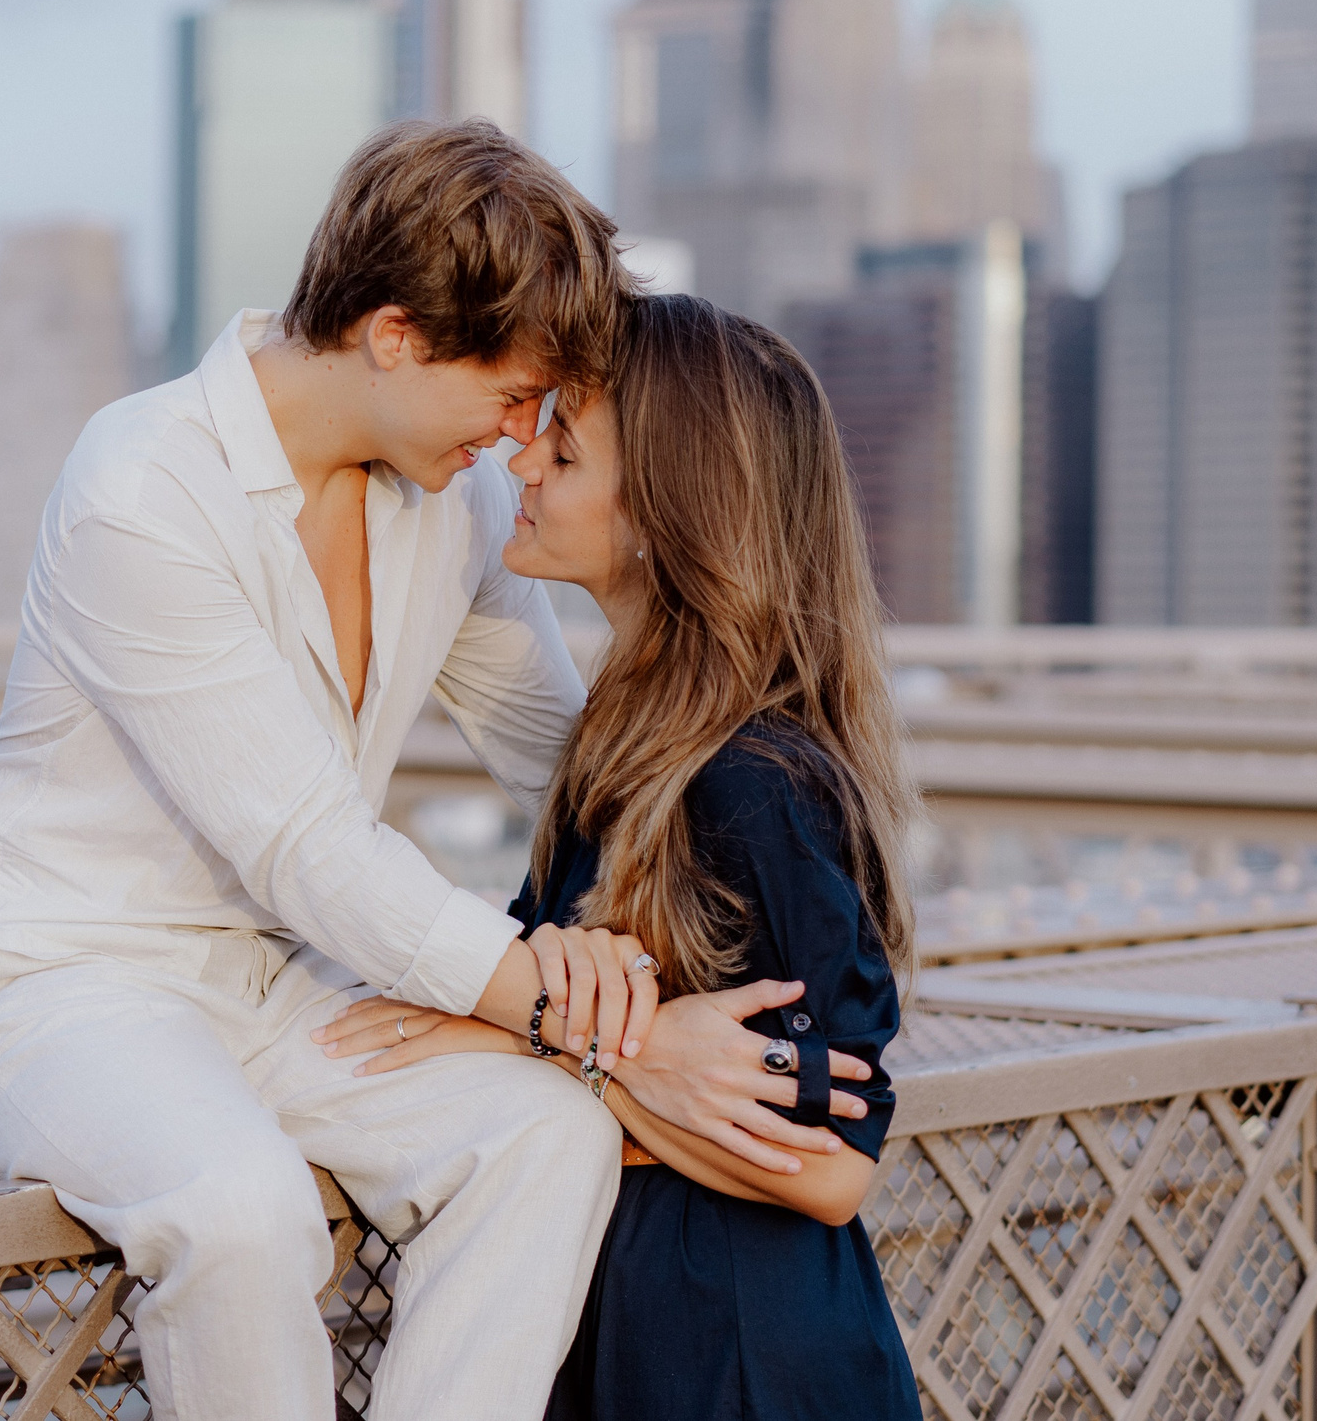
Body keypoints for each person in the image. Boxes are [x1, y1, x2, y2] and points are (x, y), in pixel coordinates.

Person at [0, 121, 865, 1421]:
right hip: (55, 978)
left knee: (545, 1135)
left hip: (273, 985)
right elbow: (309, 847)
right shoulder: (142, 486)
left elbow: (570, 764)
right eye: (513, 396)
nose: (523, 441)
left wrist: (660, 989)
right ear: (395, 337)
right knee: (241, 1210)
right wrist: (606, 1030)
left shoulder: (444, 500)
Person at [317, 291, 926, 1421]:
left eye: (565, 446)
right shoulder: (624, 740)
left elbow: (838, 1168)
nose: (524, 465)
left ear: (662, 509)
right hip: (631, 1320)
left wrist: (573, 1051)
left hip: (741, 1356)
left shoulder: (752, 780)